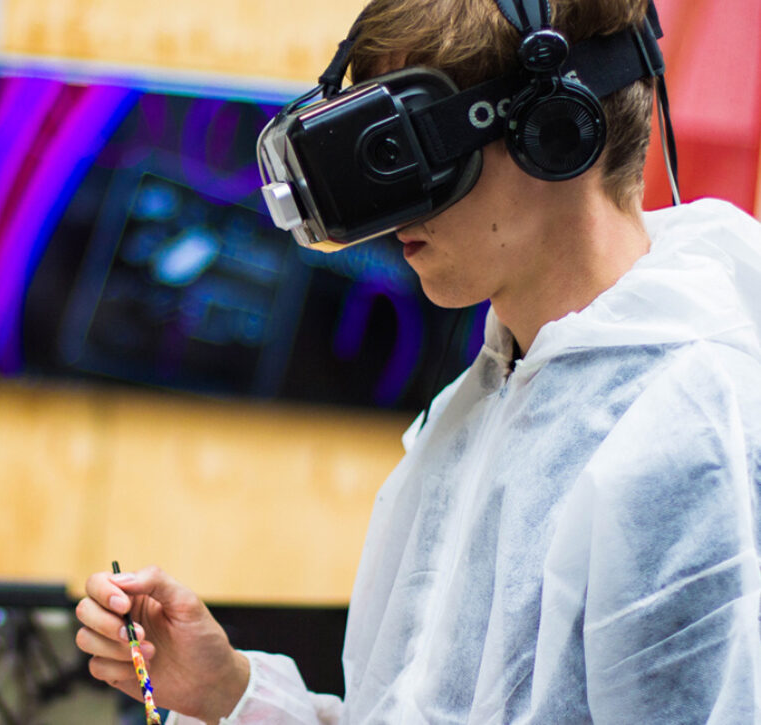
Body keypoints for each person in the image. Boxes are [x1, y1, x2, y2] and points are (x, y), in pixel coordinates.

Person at [75, 0, 761, 721]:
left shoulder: (690, 428)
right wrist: (229, 693)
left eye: (415, 152)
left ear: (553, 131)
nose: (392, 211)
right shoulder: (488, 401)